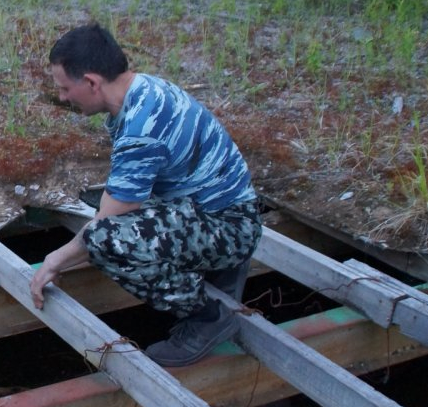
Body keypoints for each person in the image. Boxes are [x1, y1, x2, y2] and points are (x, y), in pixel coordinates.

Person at [29, 23, 262, 367]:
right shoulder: (144, 89)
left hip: (230, 227)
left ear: (92, 82)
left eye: (65, 88)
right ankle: (218, 267)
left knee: (105, 240)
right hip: (216, 209)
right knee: (110, 215)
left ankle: (206, 318)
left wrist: (54, 261)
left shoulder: (142, 126)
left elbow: (105, 226)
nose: (63, 98)